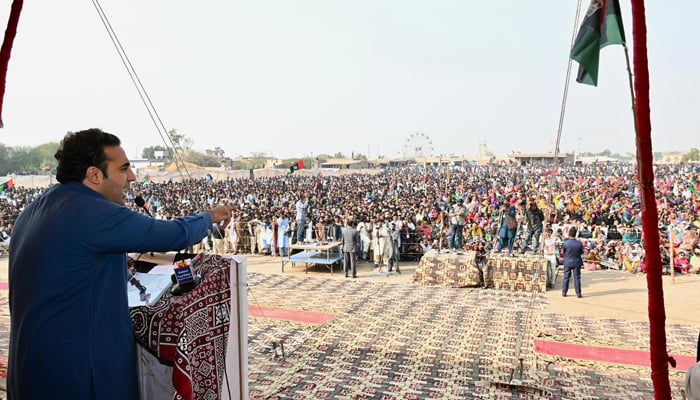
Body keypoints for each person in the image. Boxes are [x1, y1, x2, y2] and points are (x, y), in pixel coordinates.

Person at [7, 129, 234, 399]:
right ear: (94, 175)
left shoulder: (38, 207)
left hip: (33, 365)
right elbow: (170, 234)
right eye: (124, 169)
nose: (132, 177)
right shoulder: (91, 211)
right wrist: (208, 217)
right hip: (78, 369)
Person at [561, 226, 584, 298]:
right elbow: (581, 252)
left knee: (566, 277)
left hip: (567, 261)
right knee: (577, 277)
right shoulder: (579, 243)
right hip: (577, 261)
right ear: (575, 234)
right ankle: (578, 293)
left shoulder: (565, 243)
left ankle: (564, 292)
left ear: (569, 234)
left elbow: (563, 252)